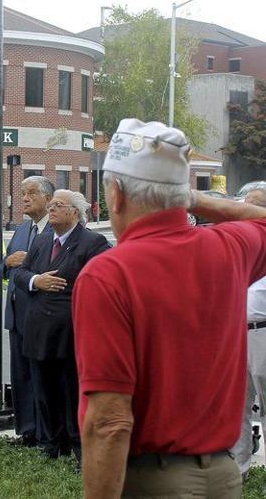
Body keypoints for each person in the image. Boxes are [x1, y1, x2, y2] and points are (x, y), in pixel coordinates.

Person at [74, 118, 266, 498]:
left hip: (154, 480)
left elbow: (110, 421)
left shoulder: (109, 274)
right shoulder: (228, 249)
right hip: (223, 477)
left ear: (117, 195)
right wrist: (190, 197)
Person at [15, 189, 110, 461]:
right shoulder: (43, 241)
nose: (52, 209)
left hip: (71, 331)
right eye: (52, 204)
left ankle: (79, 446)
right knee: (43, 388)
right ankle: (51, 443)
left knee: (71, 390)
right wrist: (37, 281)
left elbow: (101, 281)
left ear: (75, 213)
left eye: (59, 205)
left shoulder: (93, 242)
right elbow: (20, 272)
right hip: (38, 329)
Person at [1, 176, 55, 447]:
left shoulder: (56, 230)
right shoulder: (23, 230)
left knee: (41, 377)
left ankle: (47, 434)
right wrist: (6, 262)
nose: (24, 198)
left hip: (40, 315)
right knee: (21, 375)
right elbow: (6, 266)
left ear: (48, 199)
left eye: (31, 193)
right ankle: (27, 430)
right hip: (16, 313)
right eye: (22, 193)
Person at [231, 186, 266, 481]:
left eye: (253, 205)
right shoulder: (238, 245)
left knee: (265, 403)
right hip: (234, 334)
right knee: (236, 405)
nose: (245, 210)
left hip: (263, 334)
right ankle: (239, 468)